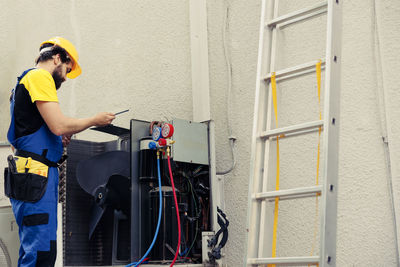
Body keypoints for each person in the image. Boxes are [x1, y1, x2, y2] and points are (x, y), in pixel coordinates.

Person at [6, 36, 115, 267]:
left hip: (34, 176)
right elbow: (58, 125)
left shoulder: (24, 84)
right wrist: (94, 120)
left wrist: (56, 139)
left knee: (39, 251)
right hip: (36, 177)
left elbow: (26, 136)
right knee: (40, 254)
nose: (65, 77)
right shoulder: (39, 77)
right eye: (66, 69)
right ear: (57, 58)